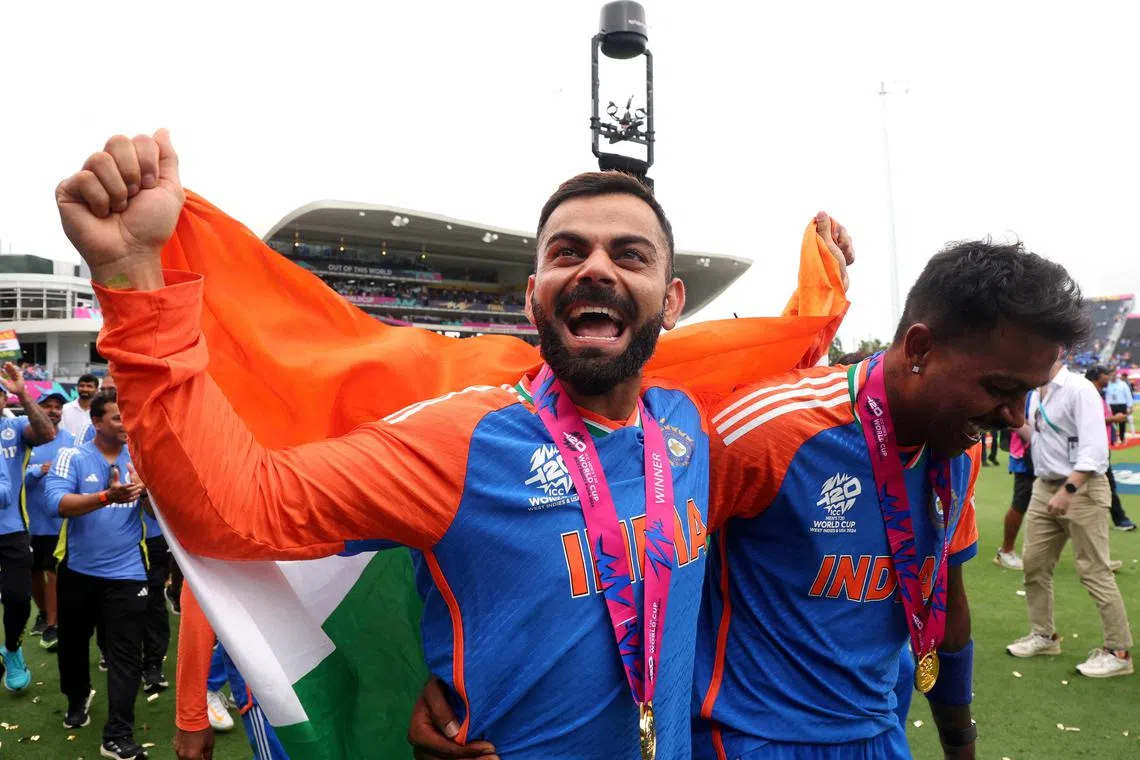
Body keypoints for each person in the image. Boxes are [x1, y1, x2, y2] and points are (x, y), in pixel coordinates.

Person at [56, 130, 852, 759]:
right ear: (533, 295)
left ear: (672, 300)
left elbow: (783, 386)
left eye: (630, 255)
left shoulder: (688, 431)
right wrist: (133, 277)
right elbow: (239, 507)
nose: (597, 268)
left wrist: (820, 303)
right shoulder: (458, 440)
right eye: (568, 252)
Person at [412, 239, 1089, 759]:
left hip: (880, 734)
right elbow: (612, 542)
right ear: (918, 349)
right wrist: (477, 685)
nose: (1015, 417)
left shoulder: (957, 449)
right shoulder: (765, 435)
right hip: (747, 740)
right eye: (1001, 388)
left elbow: (945, 597)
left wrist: (960, 743)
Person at [1006, 358, 1134, 678]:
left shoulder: (1079, 390)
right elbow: (1039, 437)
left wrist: (1069, 490)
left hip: (1082, 488)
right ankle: (1044, 635)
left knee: (1094, 570)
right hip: (1044, 486)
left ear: (1056, 349)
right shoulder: (1037, 393)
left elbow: (1095, 450)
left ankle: (1118, 651)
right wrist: (1010, 419)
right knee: (1034, 564)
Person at [45, 390, 152, 759]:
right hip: (78, 571)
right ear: (96, 422)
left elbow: (160, 515)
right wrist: (108, 495)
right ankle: (78, 697)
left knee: (125, 655)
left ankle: (118, 735)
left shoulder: (141, 458)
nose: (127, 425)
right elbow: (56, 503)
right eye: (118, 418)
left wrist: (146, 494)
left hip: (127, 573)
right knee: (74, 645)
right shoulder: (72, 455)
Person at [173, 584, 288, 760]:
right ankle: (211, 686)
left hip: (328, 656)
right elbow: (200, 582)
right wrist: (192, 716)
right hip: (265, 672)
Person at [0, 362, 57, 692]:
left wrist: (23, 392)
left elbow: (47, 433)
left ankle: (11, 649)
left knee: (19, 599)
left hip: (12, 531)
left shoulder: (15, 427)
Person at [26, 391, 76, 651]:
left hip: (57, 523)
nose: (54, 410)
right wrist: (36, 471)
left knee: (52, 572)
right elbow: (12, 476)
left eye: (58, 406)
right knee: (32, 572)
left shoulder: (70, 441)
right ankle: (44, 614)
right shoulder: (27, 437)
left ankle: (53, 624)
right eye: (47, 406)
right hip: (27, 521)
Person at [1085, 366, 1135, 531]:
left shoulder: (1095, 394)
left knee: (1102, 484)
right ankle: (1119, 518)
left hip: (1099, 445)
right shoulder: (1088, 395)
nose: (1109, 376)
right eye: (1106, 374)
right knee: (1107, 484)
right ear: (1097, 376)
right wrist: (1115, 418)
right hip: (1093, 447)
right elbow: (1091, 420)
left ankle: (1117, 518)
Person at [994, 396, 1034, 569]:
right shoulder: (1028, 392)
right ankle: (1006, 551)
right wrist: (1034, 435)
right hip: (1025, 457)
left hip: (1045, 457)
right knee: (1020, 503)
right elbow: (1010, 417)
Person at [1105, 370, 1132, 444]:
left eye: (1114, 375)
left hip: (1121, 405)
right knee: (1111, 423)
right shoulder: (1107, 384)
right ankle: (1113, 439)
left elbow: (1128, 395)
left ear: (1116, 375)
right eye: (1111, 375)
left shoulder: (1122, 384)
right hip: (1110, 406)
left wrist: (1130, 406)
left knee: (1122, 423)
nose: (1112, 376)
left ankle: (1122, 438)